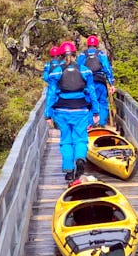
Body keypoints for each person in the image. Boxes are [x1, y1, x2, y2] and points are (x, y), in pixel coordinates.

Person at [46, 41, 100, 181]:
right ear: (75, 54)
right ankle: (80, 159)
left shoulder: (56, 71)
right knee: (81, 138)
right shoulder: (84, 70)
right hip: (81, 110)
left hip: (61, 111)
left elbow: (51, 94)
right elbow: (92, 92)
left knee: (66, 140)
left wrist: (48, 114)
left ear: (61, 55)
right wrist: (95, 112)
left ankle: (69, 170)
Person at [77, 35, 115, 126]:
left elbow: (78, 68)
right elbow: (107, 68)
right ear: (97, 45)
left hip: (87, 83)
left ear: (88, 44)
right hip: (100, 82)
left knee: (88, 103)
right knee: (102, 103)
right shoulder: (101, 54)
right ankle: (100, 123)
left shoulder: (83, 55)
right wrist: (112, 83)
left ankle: (90, 124)